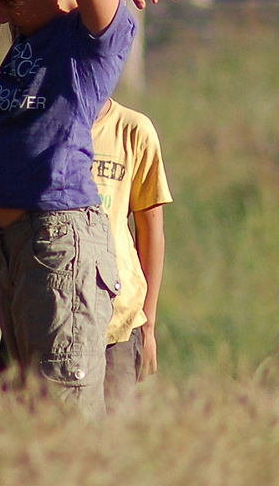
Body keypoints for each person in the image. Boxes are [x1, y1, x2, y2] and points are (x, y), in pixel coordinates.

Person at [0, 0, 194, 417]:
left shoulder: (91, 38)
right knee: (26, 414)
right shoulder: (36, 30)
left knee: (64, 421)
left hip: (59, 244)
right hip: (13, 248)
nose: (2, 18)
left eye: (8, 1)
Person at [89, 99, 172, 414]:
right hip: (56, 316)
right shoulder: (46, 126)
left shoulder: (134, 130)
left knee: (114, 439)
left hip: (119, 323)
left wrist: (148, 327)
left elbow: (151, 233)